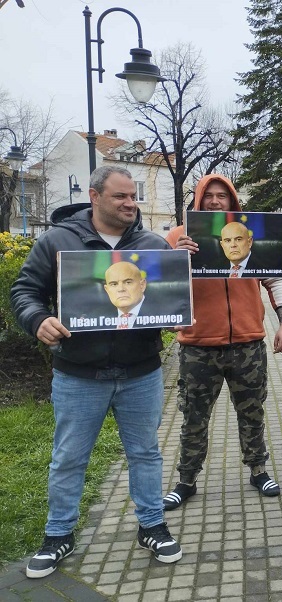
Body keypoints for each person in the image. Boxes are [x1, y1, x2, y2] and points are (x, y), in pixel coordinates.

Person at [11, 166, 182, 578]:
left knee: (145, 453)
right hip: (78, 373)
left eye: (133, 197)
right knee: (69, 457)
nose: (130, 204)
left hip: (140, 372)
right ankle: (59, 534)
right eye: (121, 196)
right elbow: (24, 290)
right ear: (94, 196)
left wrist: (176, 312)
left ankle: (152, 524)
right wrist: (37, 320)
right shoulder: (57, 241)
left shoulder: (152, 244)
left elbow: (167, 296)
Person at [161, 174, 282, 511]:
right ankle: (186, 479)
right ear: (199, 199)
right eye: (209, 196)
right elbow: (160, 287)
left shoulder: (251, 234)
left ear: (233, 202)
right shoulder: (178, 236)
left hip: (248, 342)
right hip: (198, 345)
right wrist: (176, 260)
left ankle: (258, 470)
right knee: (193, 416)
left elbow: (273, 278)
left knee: (252, 412)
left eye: (223, 196)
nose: (216, 202)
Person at [103, 261, 147, 328]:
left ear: (142, 285)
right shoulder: (94, 318)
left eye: (128, 282)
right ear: (107, 290)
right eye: (114, 284)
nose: (121, 289)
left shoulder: (164, 315)